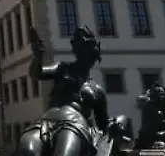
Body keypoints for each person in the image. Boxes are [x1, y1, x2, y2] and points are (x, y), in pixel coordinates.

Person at [12, 27, 130, 156]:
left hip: (74, 124)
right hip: (46, 121)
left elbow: (103, 125)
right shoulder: (63, 68)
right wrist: (38, 57)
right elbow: (37, 74)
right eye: (84, 50)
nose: (87, 56)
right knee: (27, 151)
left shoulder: (97, 90)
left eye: (90, 51)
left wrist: (119, 123)